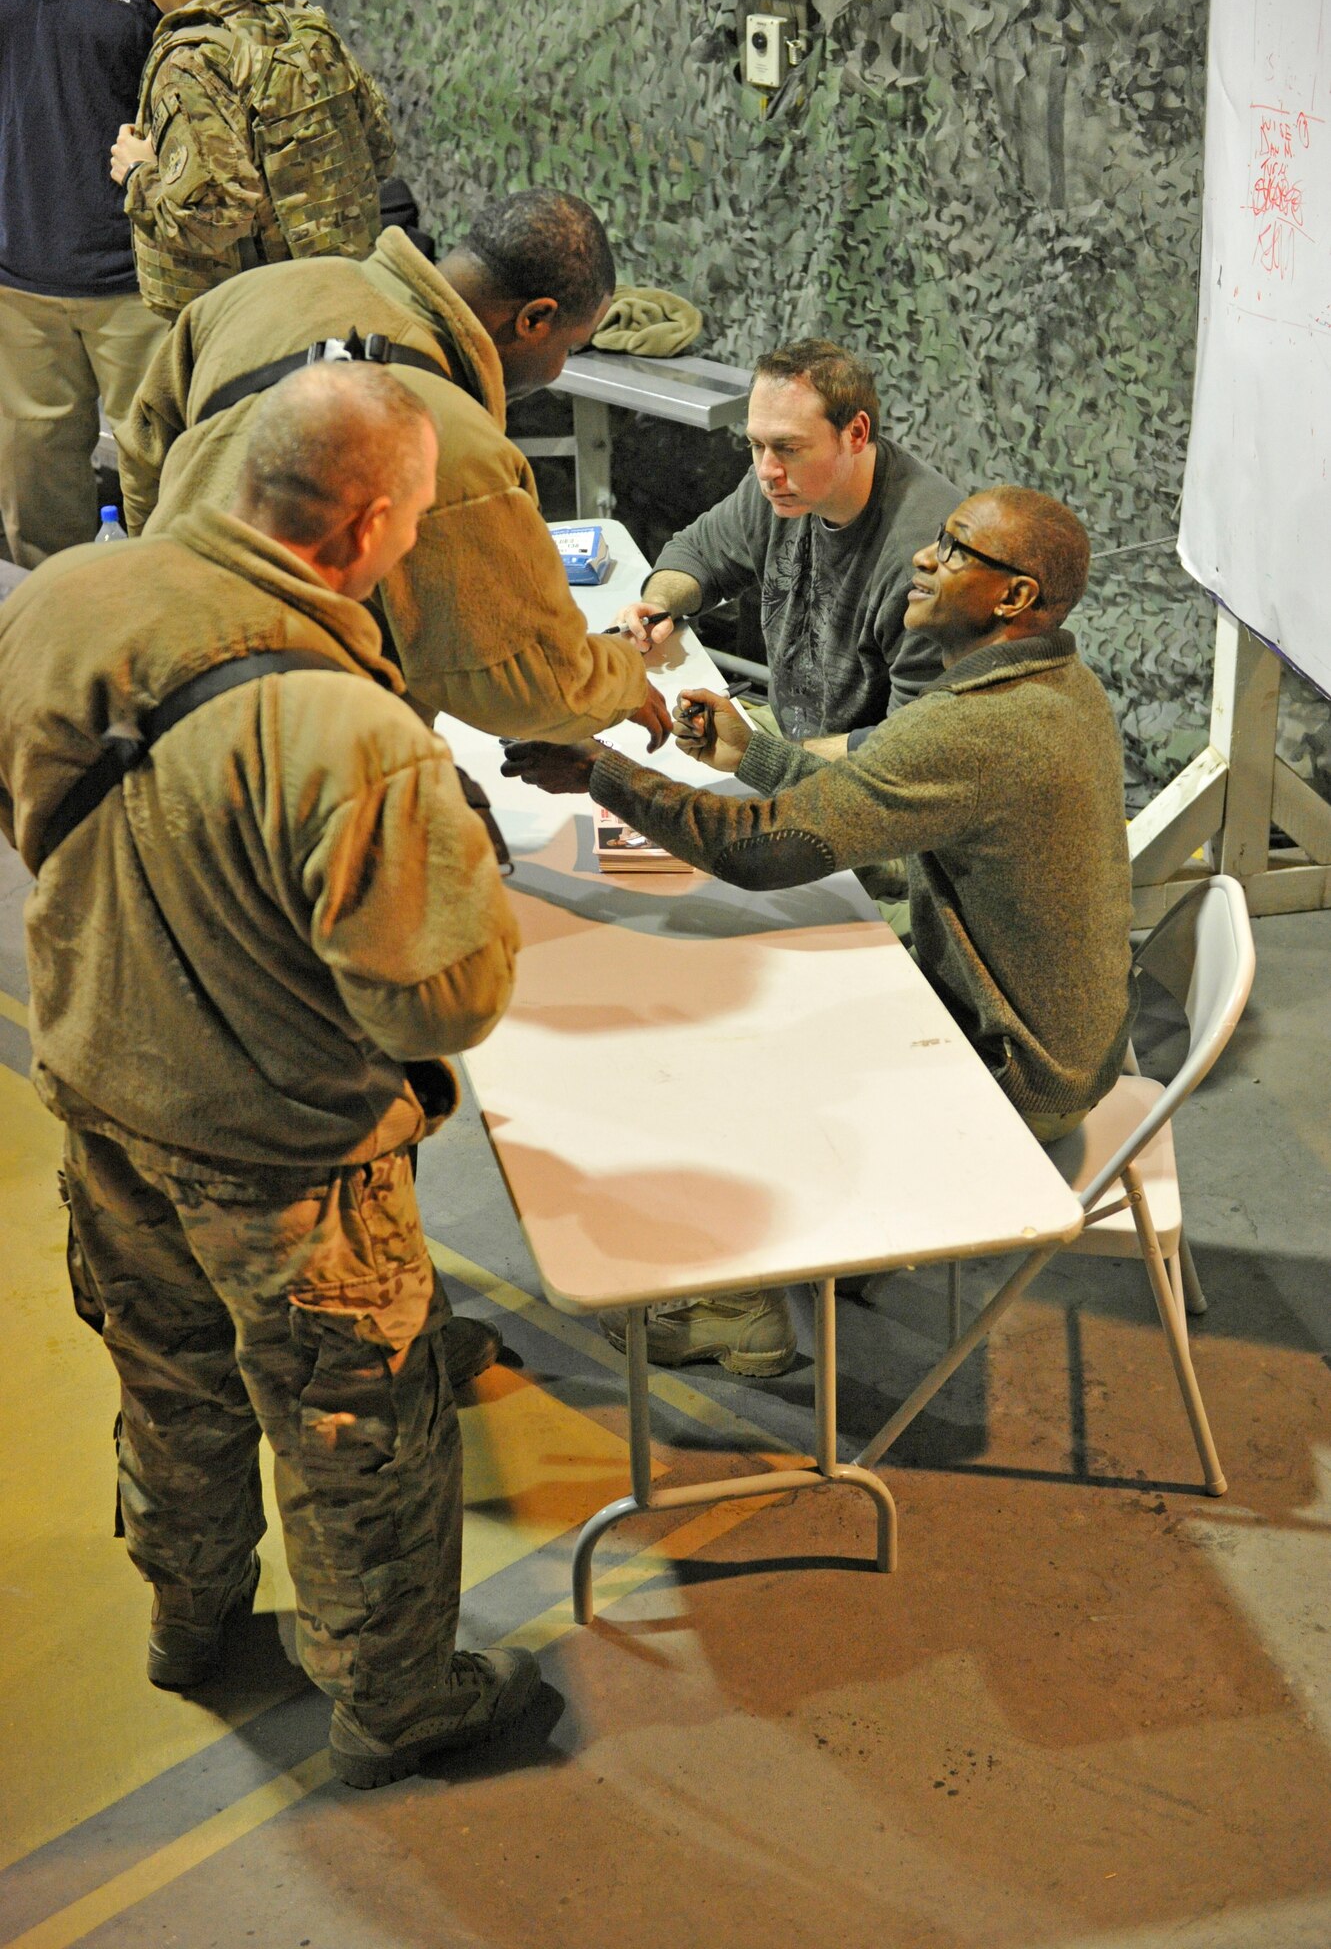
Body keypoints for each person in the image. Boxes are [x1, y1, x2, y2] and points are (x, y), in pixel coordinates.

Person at [0, 363, 540, 1789]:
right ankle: (395, 1701)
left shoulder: (64, 595)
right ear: (363, 528)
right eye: (414, 519)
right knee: (356, 1430)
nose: (414, 543)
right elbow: (436, 1004)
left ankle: (189, 1623)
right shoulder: (354, 736)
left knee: (166, 1382)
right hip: (290, 1163)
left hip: (104, 1097)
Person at [501, 487, 1136, 1376]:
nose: (923, 558)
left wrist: (601, 770)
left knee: (728, 1035)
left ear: (1014, 598)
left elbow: (768, 850)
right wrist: (746, 751)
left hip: (1016, 1077)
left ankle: (742, 1304)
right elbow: (877, 797)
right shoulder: (1051, 686)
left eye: (953, 552)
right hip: (1064, 1041)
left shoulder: (982, 726)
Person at [117, 187, 670, 749]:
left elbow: (142, 455)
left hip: (141, 682)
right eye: (569, 349)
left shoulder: (261, 291)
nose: (557, 370)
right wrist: (624, 673)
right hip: (286, 757)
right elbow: (531, 684)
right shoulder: (449, 439)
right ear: (534, 319)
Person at [615, 339, 964, 753]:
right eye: (757, 444)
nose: (766, 471)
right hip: (793, 741)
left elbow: (909, 749)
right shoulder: (782, 488)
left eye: (789, 448)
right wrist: (659, 604)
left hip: (862, 777)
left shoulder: (925, 560)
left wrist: (758, 757)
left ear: (855, 433)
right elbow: (698, 554)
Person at [110, 0, 396, 323]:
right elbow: (381, 152)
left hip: (261, 321)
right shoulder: (300, 26)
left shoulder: (190, 64)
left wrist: (137, 173)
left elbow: (213, 220)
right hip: (344, 293)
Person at [0, 0, 165, 568]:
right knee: (33, 501)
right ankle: (51, 646)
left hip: (135, 283)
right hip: (18, 281)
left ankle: (161, 637)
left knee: (163, 485)